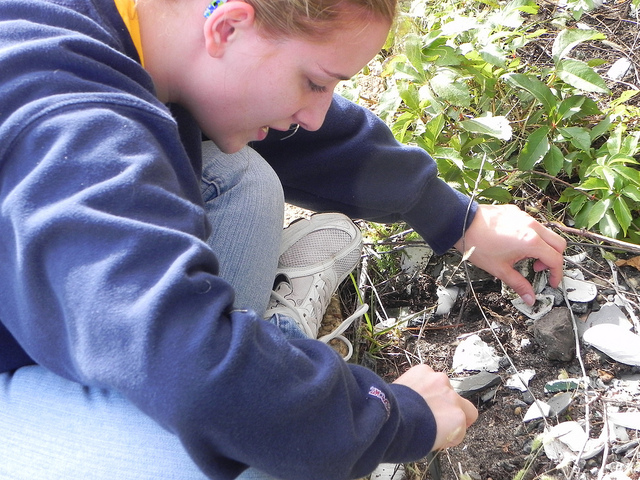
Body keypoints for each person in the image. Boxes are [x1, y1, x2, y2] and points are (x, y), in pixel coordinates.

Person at [0, 0, 566, 478]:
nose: (318, 115)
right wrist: (393, 415)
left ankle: (263, 359)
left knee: (240, 176)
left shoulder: (144, 22)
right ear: (227, 27)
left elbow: (306, 137)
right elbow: (197, 378)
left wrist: (457, 219)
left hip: (50, 303)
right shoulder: (73, 128)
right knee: (203, 453)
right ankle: (257, 370)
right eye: (315, 82)